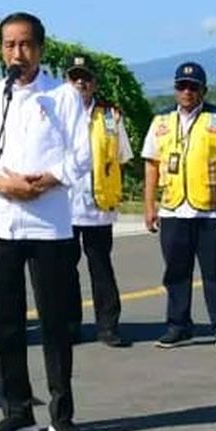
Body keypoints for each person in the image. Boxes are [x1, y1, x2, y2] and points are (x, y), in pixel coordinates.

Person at [0, 12, 90, 431]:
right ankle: (16, 411)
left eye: (25, 44)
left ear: (40, 48)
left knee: (55, 323)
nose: (16, 53)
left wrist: (41, 181)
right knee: (7, 323)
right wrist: (4, 183)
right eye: (8, 45)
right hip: (2, 222)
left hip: (49, 226)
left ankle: (62, 414)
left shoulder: (63, 96)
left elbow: (80, 157)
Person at [142, 61, 216, 354]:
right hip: (174, 208)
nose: (187, 91)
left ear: (203, 90)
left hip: (211, 210)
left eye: (193, 87)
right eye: (181, 86)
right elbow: (151, 164)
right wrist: (149, 206)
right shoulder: (161, 121)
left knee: (214, 274)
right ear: (175, 89)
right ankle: (178, 326)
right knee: (175, 273)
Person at [64, 54, 134, 348]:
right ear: (67, 80)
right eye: (75, 76)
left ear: (94, 83)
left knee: (101, 267)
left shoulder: (110, 115)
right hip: (62, 205)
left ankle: (108, 326)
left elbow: (123, 156)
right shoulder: (53, 111)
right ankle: (68, 327)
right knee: (64, 271)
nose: (81, 82)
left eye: (86, 77)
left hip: (97, 205)